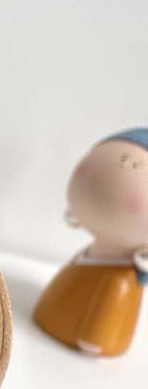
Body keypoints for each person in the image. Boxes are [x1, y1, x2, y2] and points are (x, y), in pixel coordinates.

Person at [34, 128, 148, 356]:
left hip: (72, 344)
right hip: (46, 322)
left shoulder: (120, 281)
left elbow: (104, 323)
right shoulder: (92, 254)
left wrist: (92, 342)